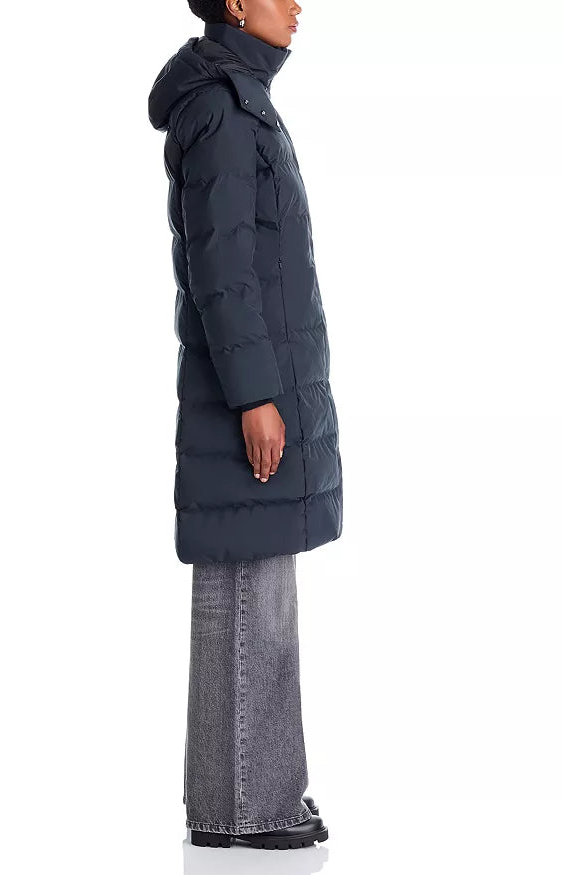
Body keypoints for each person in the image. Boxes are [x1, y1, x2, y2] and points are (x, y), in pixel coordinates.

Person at [148, 0, 342, 850]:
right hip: (248, 396)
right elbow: (220, 266)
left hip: (261, 386)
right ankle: (247, 806)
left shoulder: (239, 99)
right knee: (247, 596)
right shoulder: (224, 108)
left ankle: (248, 798)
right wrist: (257, 396)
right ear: (234, 3)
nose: (296, 5)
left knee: (259, 592)